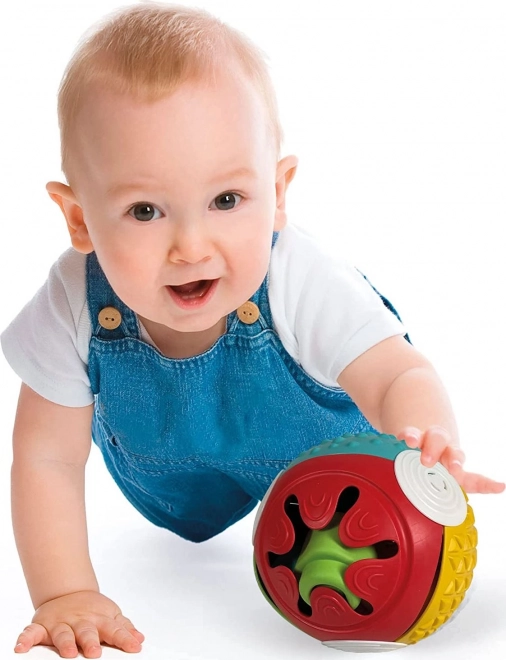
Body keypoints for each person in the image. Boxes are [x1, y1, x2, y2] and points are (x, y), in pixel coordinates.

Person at [1, 2, 504, 658]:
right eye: (145, 211)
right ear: (79, 219)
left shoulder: (300, 276)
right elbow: (47, 458)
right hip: (173, 486)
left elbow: (396, 374)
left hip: (334, 472)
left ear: (278, 191)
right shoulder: (71, 301)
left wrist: (423, 444)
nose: (191, 246)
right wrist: (65, 593)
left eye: (226, 200)